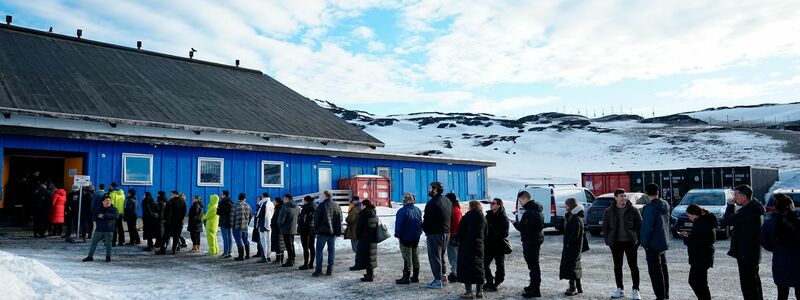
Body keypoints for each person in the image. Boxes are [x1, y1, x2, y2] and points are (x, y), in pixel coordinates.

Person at [723, 184, 765, 300]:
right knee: (754, 282)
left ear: (744, 197)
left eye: (736, 195)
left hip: (746, 253)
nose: (734, 198)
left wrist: (730, 206)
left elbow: (727, 221)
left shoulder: (747, 212)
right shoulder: (753, 208)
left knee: (749, 286)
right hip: (750, 252)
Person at [602, 189, 642, 299]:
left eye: (625, 196)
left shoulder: (633, 210)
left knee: (633, 266)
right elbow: (605, 228)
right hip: (616, 243)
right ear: (615, 198)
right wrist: (608, 241)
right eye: (621, 196)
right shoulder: (609, 211)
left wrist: (638, 241)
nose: (624, 198)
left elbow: (640, 226)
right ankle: (620, 289)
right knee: (617, 267)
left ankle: (636, 290)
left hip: (630, 243)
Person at [761, 194, 800, 300]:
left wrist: (776, 249)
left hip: (780, 261)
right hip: (798, 262)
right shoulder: (797, 222)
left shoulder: (769, 224)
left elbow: (764, 242)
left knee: (782, 294)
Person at [678, 204, 717, 300]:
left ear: (694, 214)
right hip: (703, 256)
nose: (689, 218)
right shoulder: (705, 222)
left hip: (701, 257)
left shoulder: (701, 224)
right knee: (700, 282)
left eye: (689, 216)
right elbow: (700, 239)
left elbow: (696, 243)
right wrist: (689, 235)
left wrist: (685, 237)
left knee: (696, 282)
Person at [640, 183, 671, 300]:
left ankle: (660, 296)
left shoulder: (650, 208)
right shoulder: (665, 205)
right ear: (658, 192)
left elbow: (647, 228)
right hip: (663, 242)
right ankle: (665, 295)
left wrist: (644, 243)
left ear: (646, 193)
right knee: (663, 270)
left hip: (653, 244)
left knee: (655, 272)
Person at [512, 190, 544, 298]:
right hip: (534, 240)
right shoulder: (536, 209)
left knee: (534, 266)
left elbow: (525, 229)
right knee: (533, 265)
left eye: (520, 200)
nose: (520, 202)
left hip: (531, 241)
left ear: (525, 198)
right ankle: (533, 286)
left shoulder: (530, 212)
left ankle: (535, 290)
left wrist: (515, 224)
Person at [455, 200, 487, 299]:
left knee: (466, 268)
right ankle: (479, 291)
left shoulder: (466, 218)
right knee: (479, 267)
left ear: (471, 207)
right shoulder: (483, 218)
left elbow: (460, 232)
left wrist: (456, 240)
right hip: (479, 246)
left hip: (466, 246)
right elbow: (486, 233)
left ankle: (468, 292)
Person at [422, 182, 451, 289]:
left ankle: (438, 280)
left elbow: (427, 219)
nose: (429, 190)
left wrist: (425, 229)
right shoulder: (447, 201)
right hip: (446, 232)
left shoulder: (432, 202)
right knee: (441, 255)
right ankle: (443, 276)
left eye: (430, 188)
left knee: (434, 256)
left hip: (435, 233)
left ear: (435, 190)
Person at [312, 190, 343, 277]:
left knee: (319, 251)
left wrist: (317, 228)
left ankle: (318, 270)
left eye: (322, 195)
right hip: (332, 233)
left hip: (323, 232)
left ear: (325, 196)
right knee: (331, 251)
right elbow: (340, 218)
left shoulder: (322, 205)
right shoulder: (337, 205)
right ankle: (330, 269)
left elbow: (316, 218)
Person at [559, 198, 586, 296]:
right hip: (574, 246)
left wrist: (568, 243)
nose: (565, 207)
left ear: (570, 206)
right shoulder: (574, 216)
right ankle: (578, 287)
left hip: (573, 247)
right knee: (576, 266)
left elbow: (575, 234)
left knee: (572, 267)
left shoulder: (575, 218)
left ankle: (572, 287)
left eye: (566, 205)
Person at [395, 192, 423, 285]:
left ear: (404, 201)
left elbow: (399, 225)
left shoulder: (402, 211)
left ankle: (406, 277)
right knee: (415, 256)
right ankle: (415, 276)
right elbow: (420, 223)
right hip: (416, 237)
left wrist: (397, 235)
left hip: (405, 237)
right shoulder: (418, 210)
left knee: (407, 257)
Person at [484, 198, 509, 292]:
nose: (491, 205)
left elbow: (505, 233)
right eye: (491, 203)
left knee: (500, 265)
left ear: (499, 205)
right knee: (484, 264)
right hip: (488, 245)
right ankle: (489, 281)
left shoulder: (503, 217)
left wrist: (494, 234)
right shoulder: (488, 215)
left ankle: (498, 282)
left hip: (498, 245)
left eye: (493, 203)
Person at [83, 196, 118, 262]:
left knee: (108, 244)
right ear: (103, 202)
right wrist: (98, 216)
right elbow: (93, 217)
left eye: (109, 200)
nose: (108, 202)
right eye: (106, 200)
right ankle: (90, 256)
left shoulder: (114, 209)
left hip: (109, 229)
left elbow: (116, 216)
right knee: (94, 243)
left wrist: (104, 216)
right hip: (99, 229)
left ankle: (108, 257)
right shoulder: (98, 209)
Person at [351, 199, 379, 282]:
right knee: (371, 257)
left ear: (364, 205)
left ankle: (369, 276)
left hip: (365, 239)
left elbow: (359, 227)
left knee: (366, 257)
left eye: (362, 205)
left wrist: (358, 236)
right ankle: (371, 273)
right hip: (373, 238)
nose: (361, 207)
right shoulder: (373, 212)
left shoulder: (364, 214)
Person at [445, 193, 463, 283]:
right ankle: (456, 271)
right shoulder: (456, 209)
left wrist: (453, 235)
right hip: (454, 235)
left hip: (453, 236)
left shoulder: (454, 210)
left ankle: (455, 272)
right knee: (454, 255)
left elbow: (456, 224)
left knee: (453, 256)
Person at [279, 194, 300, 267]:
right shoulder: (296, 206)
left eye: (284, 199)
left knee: (288, 245)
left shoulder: (285, 207)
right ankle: (292, 258)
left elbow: (281, 218)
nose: (283, 200)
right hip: (293, 227)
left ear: (287, 199)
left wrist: (280, 225)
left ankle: (290, 260)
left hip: (286, 228)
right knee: (291, 244)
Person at [232, 193, 252, 261]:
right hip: (245, 226)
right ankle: (248, 255)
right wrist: (247, 223)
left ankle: (241, 256)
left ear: (238, 198)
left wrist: (232, 225)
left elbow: (232, 216)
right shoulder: (248, 205)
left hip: (237, 226)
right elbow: (251, 215)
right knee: (245, 240)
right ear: (244, 198)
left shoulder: (235, 205)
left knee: (239, 240)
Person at [297, 195, 316, 270]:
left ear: (306, 201)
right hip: (313, 228)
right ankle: (311, 263)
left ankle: (305, 264)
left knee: (305, 247)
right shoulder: (316, 207)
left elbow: (302, 220)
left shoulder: (305, 208)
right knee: (311, 246)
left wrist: (300, 226)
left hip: (305, 228)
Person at [254, 193, 273, 263]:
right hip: (269, 224)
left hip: (263, 224)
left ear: (263, 196)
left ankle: (264, 258)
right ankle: (268, 256)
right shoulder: (271, 203)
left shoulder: (263, 204)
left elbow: (259, 214)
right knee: (269, 241)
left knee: (263, 242)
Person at [217, 190, 234, 259]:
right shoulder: (231, 201)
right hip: (230, 221)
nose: (221, 195)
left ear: (224, 195)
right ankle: (229, 251)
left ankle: (225, 252)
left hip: (224, 221)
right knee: (230, 236)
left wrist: (217, 210)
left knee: (225, 237)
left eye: (221, 194)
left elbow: (219, 212)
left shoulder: (222, 202)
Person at [271, 196, 286, 264]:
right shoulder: (279, 208)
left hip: (278, 229)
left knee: (279, 244)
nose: (273, 202)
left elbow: (278, 219)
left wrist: (274, 224)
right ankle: (279, 258)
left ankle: (279, 259)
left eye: (274, 201)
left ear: (277, 202)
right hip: (278, 229)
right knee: (279, 244)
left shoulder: (279, 208)